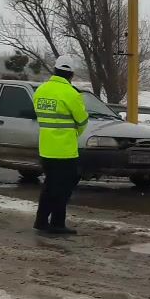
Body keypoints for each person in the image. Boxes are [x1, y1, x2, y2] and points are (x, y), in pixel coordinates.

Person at [32, 55, 89, 235]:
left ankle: (41, 221)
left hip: (46, 148)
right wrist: (73, 134)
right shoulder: (72, 94)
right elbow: (82, 121)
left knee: (50, 185)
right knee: (64, 187)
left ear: (55, 70)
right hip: (65, 151)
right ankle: (56, 223)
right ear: (71, 74)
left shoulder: (40, 90)